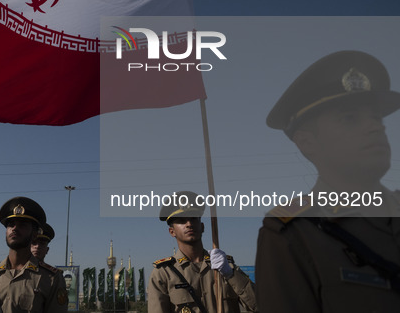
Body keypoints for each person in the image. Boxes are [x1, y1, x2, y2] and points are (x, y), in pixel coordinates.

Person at [256, 50, 400, 312]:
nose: (374, 127)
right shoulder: (294, 234)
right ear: (307, 142)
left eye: (376, 118)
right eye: (350, 118)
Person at [148, 191, 257, 313]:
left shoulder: (225, 266)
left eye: (193, 218)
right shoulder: (164, 274)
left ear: (202, 226)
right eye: (182, 220)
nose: (189, 224)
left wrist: (230, 274)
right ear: (172, 232)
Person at [0, 197, 68, 312]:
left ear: (34, 235)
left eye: (22, 225)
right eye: (11, 225)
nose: (14, 229)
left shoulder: (51, 278)